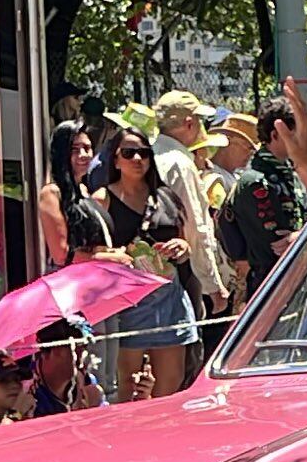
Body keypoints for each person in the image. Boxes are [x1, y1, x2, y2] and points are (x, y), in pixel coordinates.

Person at [93, 131, 201, 398]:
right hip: (127, 302)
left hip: (168, 300)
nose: (137, 159)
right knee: (127, 386)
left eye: (144, 152)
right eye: (129, 153)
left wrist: (181, 248)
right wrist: (118, 255)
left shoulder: (165, 197)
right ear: (115, 160)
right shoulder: (102, 199)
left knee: (170, 384)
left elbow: (185, 244)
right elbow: (92, 253)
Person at [219, 95, 307, 303]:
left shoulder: (289, 173)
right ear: (276, 134)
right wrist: (306, 234)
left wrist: (302, 234)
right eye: (296, 132)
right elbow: (278, 242)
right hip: (271, 283)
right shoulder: (256, 181)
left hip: (297, 278)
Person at [149, 91, 232, 310]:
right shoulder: (180, 164)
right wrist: (212, 284)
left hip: (152, 264)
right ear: (189, 123)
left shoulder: (149, 154)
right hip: (185, 272)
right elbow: (195, 226)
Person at [39, 121, 113, 265]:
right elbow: (61, 255)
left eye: (87, 148)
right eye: (74, 149)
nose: (83, 155)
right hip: (73, 282)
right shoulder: (52, 193)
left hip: (98, 279)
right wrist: (110, 258)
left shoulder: (84, 191)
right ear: (61, 153)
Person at [28, 317, 105, 415]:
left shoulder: (87, 381)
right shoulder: (28, 394)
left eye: (84, 345)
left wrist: (96, 410)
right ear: (48, 352)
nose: (82, 353)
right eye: (72, 347)